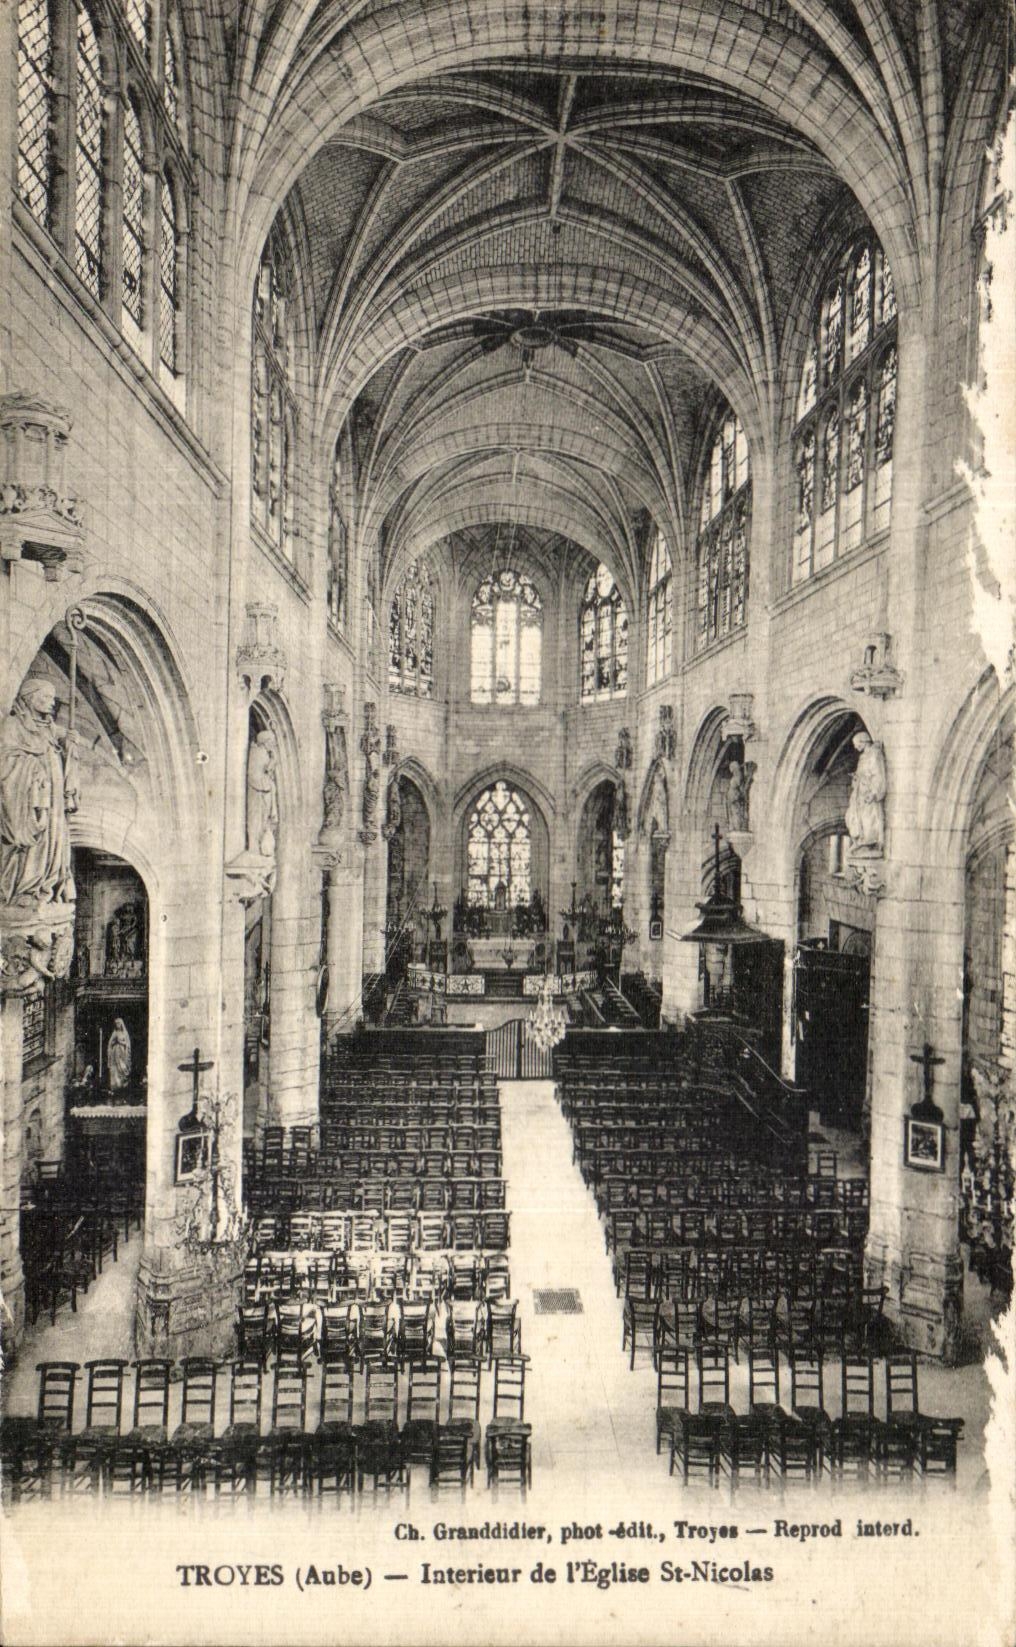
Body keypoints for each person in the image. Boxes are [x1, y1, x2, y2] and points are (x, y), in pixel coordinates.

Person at [1, 677, 77, 905]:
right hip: (30, 798)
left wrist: (68, 742)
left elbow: (58, 742)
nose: (51, 703)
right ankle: (27, 888)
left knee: (55, 840)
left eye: (53, 698)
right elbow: (5, 761)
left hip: (53, 800)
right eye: (45, 697)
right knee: (37, 841)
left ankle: (48, 884)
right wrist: (34, 769)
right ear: (29, 697)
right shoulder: (13, 726)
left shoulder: (48, 728)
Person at [845, 731, 887, 852]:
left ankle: (869, 843)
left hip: (869, 792)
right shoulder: (863, 757)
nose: (855, 747)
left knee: (868, 817)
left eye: (856, 744)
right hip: (860, 791)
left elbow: (878, 774)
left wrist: (874, 793)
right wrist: (856, 777)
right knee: (851, 815)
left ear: (863, 741)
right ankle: (859, 840)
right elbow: (862, 774)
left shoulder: (874, 754)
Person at [246, 729, 279, 858]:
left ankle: (260, 849)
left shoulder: (264, 753)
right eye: (272, 742)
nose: (273, 744)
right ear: (265, 742)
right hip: (258, 795)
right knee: (257, 821)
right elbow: (254, 777)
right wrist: (267, 784)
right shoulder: (257, 753)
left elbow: (268, 769)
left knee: (263, 822)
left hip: (264, 794)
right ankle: (254, 848)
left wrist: (273, 759)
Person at [107, 1017, 132, 1092]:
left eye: (119, 1023)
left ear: (121, 1024)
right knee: (115, 1069)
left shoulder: (125, 1033)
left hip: (123, 1053)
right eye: (116, 1023)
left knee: (123, 1067)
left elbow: (127, 1044)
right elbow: (110, 1043)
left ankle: (123, 1085)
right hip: (116, 1053)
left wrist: (121, 1042)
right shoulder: (115, 1033)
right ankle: (116, 1086)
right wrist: (114, 1044)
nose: (118, 1025)